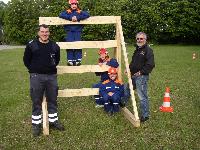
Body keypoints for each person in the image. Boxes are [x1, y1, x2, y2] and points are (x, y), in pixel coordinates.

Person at [23, 24, 64, 137]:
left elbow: (57, 60)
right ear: (38, 33)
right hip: (36, 76)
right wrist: (35, 69)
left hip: (51, 76)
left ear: (49, 33)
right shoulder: (32, 45)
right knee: (36, 100)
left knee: (52, 99)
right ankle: (36, 124)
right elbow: (26, 60)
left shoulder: (54, 46)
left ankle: (53, 121)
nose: (44, 34)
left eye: (46, 32)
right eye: (42, 31)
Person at [129, 32, 155, 122]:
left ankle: (145, 115)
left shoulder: (148, 50)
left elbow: (150, 64)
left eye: (141, 38)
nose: (139, 40)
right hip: (133, 75)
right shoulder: (137, 49)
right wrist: (128, 69)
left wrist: (140, 72)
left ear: (145, 40)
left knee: (142, 96)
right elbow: (133, 62)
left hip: (141, 77)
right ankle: (121, 103)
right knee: (126, 89)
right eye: (138, 38)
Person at [59, 0, 90, 66]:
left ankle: (78, 60)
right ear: (70, 5)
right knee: (69, 45)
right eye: (72, 4)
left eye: (75, 4)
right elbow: (61, 15)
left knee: (78, 45)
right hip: (69, 31)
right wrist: (70, 18)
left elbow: (87, 14)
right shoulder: (68, 12)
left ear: (77, 5)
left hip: (78, 31)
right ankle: (70, 60)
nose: (74, 5)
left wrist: (78, 18)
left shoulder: (79, 12)